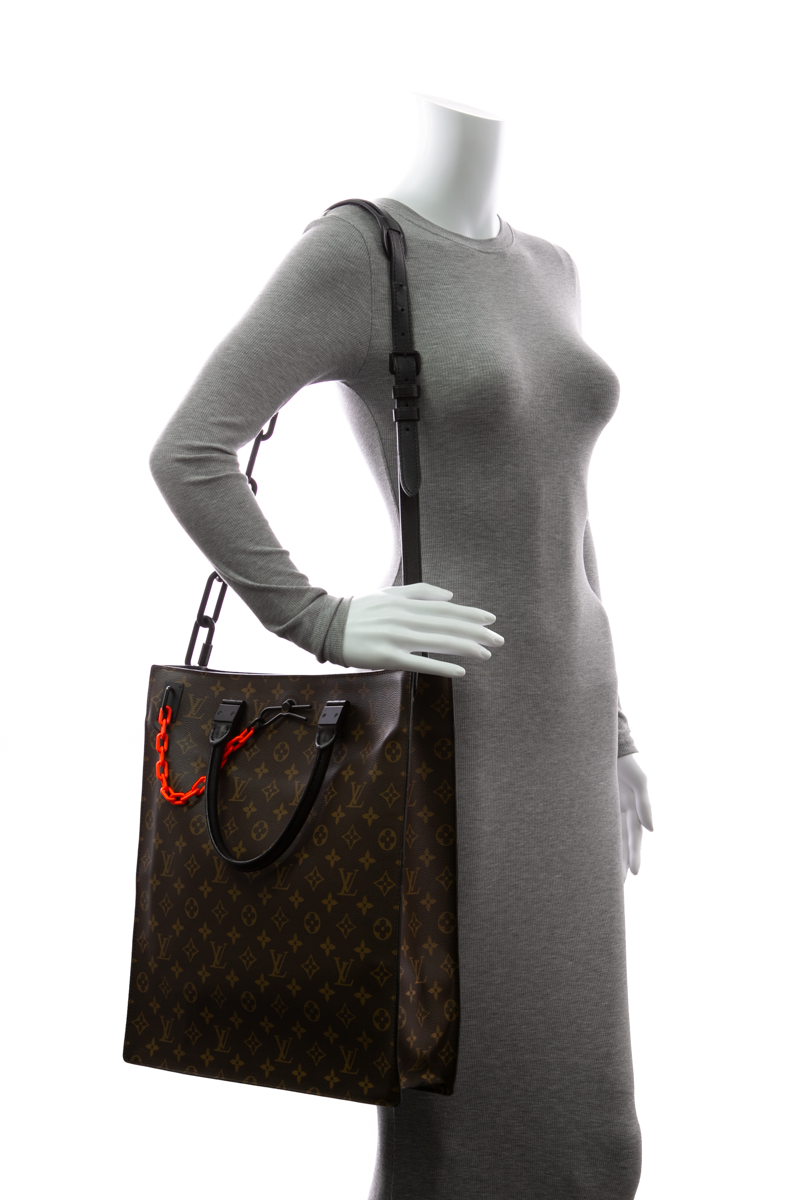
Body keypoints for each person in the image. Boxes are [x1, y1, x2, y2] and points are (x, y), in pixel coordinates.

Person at [150, 93, 653, 1200]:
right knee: (465, 1090)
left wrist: (613, 730)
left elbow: (568, 513)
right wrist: (318, 618)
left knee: (593, 1120)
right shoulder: (357, 252)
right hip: (453, 720)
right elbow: (189, 452)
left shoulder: (553, 267)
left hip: (568, 718)